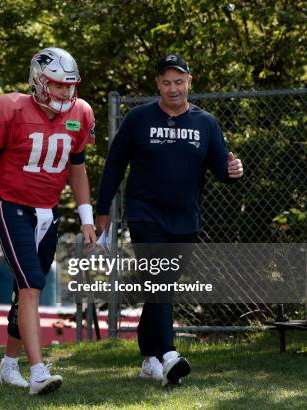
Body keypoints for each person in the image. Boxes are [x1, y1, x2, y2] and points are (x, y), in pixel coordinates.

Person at [0, 47, 97, 395]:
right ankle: (37, 372)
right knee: (32, 284)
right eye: (58, 85)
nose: (65, 93)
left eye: (69, 86)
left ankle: (8, 363)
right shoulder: (10, 108)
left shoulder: (81, 113)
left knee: (24, 291)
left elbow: (77, 172)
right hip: (11, 207)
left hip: (48, 211)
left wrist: (86, 216)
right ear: (39, 81)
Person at [95, 53, 244, 386]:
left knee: (160, 286)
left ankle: (149, 356)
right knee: (159, 280)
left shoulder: (206, 123)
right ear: (158, 84)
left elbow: (221, 168)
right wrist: (102, 208)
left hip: (185, 218)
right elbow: (115, 164)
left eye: (179, 81)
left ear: (189, 82)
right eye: (166, 82)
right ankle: (169, 356)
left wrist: (234, 171)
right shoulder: (138, 118)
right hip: (145, 212)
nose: (173, 88)